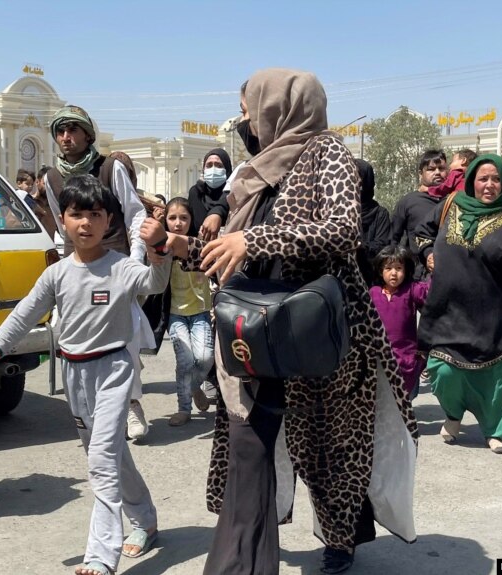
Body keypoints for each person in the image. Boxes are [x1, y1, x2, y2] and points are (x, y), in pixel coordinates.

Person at [141, 69, 418, 575]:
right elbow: (238, 253)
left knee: (328, 446)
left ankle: (340, 541)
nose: (244, 118)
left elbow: (340, 231)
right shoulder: (256, 170)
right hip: (257, 330)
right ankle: (248, 550)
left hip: (321, 332)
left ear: (279, 105)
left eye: (249, 107)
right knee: (254, 444)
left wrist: (256, 241)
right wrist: (183, 249)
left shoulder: (325, 153)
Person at [0, 174, 169, 575]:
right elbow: (23, 314)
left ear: (109, 220)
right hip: (74, 375)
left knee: (102, 461)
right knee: (111, 454)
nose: (86, 223)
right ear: (63, 220)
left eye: (95, 214)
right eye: (77, 214)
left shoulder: (122, 267)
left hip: (113, 369)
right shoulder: (57, 273)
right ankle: (145, 519)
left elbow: (154, 282)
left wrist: (158, 246)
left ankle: (100, 557)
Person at [41, 105, 154, 440]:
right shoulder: (51, 177)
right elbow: (60, 225)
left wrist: (134, 260)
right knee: (68, 331)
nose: (66, 137)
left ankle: (132, 404)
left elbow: (134, 213)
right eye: (60, 132)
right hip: (76, 267)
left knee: (126, 336)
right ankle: (92, 408)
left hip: (115, 263)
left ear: (87, 134)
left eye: (73, 130)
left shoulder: (110, 167)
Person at [415, 154, 502, 454]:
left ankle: (497, 432)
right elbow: (422, 234)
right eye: (483, 178)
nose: (490, 185)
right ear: (472, 180)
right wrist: (428, 252)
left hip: (496, 316)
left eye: (496, 179)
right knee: (442, 371)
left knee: (499, 377)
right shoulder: (451, 205)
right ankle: (454, 414)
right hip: (449, 311)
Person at [160, 198, 213, 426]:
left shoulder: (199, 246)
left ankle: (193, 388)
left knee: (205, 358)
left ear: (191, 220)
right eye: (172, 218)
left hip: (201, 312)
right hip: (175, 315)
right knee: (185, 362)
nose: (178, 223)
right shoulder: (162, 249)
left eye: (184, 218)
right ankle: (184, 409)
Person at [369, 246, 430, 399]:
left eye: (398, 268)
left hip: (407, 359)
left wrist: (435, 269)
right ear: (380, 270)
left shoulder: (411, 290)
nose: (394, 273)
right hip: (379, 359)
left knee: (405, 401)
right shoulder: (373, 293)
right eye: (388, 268)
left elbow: (432, 291)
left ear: (406, 270)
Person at [391, 149, 448, 279]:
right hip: (418, 276)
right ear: (420, 174)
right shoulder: (409, 201)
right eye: (431, 169)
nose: (437, 172)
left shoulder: (453, 200)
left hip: (450, 273)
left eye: (441, 168)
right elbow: (394, 239)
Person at [354, 159, 392, 285]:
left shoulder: (380, 214)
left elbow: (381, 245)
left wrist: (358, 245)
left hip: (370, 279)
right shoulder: (338, 211)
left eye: (357, 176)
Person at [186, 148, 232, 241]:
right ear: (203, 169)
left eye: (219, 165)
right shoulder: (196, 193)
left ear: (227, 169)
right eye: (209, 165)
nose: (213, 169)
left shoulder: (234, 193)